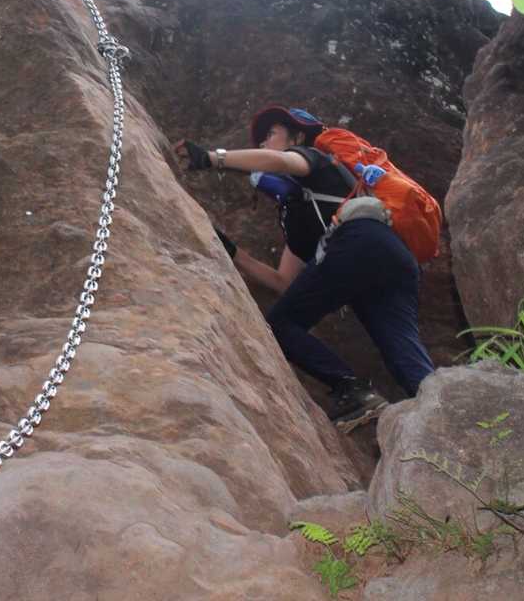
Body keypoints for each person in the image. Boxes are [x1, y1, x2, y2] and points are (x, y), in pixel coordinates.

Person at [178, 106, 435, 429]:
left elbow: (283, 162)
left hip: (358, 241)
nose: (263, 144)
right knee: (401, 350)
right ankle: (445, 414)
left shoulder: (315, 158)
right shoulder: (304, 208)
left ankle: (352, 389)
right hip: (390, 257)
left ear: (298, 137)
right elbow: (284, 281)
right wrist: (232, 252)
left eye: (270, 134)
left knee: (281, 325)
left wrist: (212, 158)